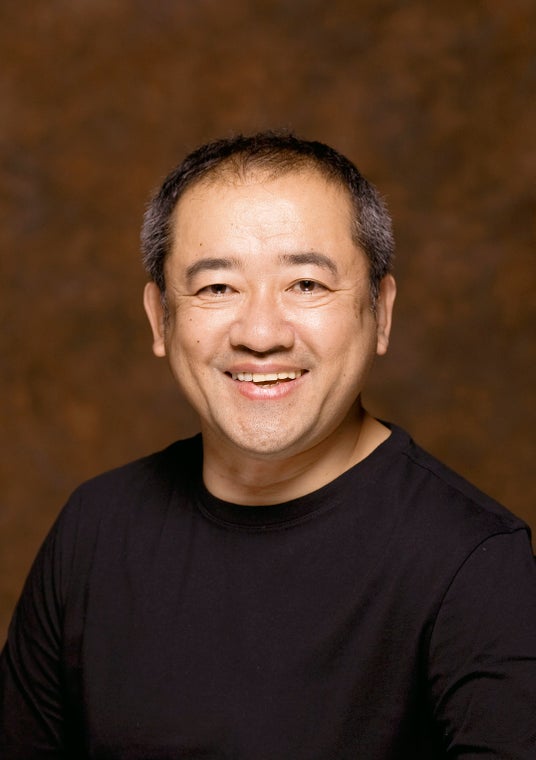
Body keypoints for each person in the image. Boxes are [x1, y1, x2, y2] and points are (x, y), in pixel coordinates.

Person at [1, 132, 535, 759]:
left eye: (306, 284)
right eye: (216, 288)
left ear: (381, 313)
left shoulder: (475, 564)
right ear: (159, 318)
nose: (260, 334)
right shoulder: (95, 529)